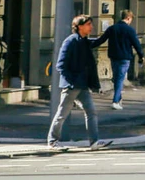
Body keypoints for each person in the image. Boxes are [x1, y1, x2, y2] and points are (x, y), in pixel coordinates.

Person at [47, 15, 110, 150]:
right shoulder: (71, 41)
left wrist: (110, 32)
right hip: (72, 86)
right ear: (79, 26)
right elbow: (60, 65)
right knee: (62, 114)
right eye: (88, 24)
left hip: (82, 85)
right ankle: (52, 141)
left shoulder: (84, 41)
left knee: (91, 112)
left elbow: (97, 42)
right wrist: (71, 81)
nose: (91, 27)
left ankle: (94, 142)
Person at [94, 10, 144, 110]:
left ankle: (119, 98)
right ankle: (115, 101)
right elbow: (136, 44)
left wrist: (89, 45)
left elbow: (101, 40)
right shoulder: (130, 30)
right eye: (131, 19)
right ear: (128, 18)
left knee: (117, 78)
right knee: (120, 79)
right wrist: (141, 56)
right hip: (125, 58)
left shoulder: (112, 28)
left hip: (114, 57)